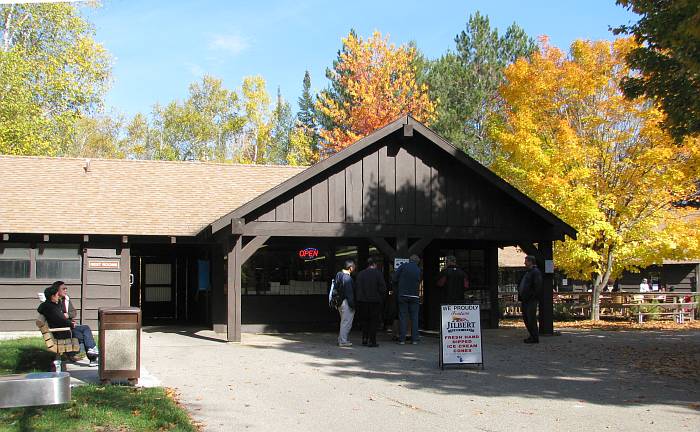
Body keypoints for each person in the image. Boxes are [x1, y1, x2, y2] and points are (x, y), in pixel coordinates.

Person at [37, 283, 99, 360]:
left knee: (85, 335)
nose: (58, 296)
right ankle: (92, 356)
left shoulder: (49, 305)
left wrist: (68, 317)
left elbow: (71, 313)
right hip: (63, 332)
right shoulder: (52, 308)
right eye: (57, 294)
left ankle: (91, 353)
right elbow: (61, 320)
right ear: (53, 296)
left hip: (63, 330)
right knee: (85, 331)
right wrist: (71, 324)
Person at [355, 257, 387, 347]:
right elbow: (383, 289)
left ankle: (364, 338)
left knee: (365, 321)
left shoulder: (360, 274)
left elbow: (357, 288)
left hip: (362, 301)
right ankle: (372, 340)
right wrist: (381, 299)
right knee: (373, 321)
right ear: (374, 265)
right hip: (375, 301)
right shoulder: (378, 274)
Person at [393, 254, 421, 345]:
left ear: (409, 260)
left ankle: (402, 339)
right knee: (414, 318)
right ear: (417, 262)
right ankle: (414, 339)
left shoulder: (403, 266)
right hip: (415, 296)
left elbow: (394, 278)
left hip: (403, 295)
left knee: (403, 317)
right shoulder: (418, 269)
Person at [517, 255, 542, 344]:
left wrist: (532, 296)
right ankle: (532, 336)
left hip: (531, 299)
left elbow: (537, 286)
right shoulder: (529, 272)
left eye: (526, 261)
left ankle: (534, 337)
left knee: (531, 318)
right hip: (525, 299)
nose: (524, 263)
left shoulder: (535, 272)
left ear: (531, 262)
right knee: (526, 318)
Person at [335, 259, 356, 347]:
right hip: (346, 302)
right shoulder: (347, 278)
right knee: (346, 322)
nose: (355, 267)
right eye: (354, 266)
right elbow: (349, 294)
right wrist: (353, 305)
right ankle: (343, 341)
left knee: (343, 321)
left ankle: (341, 339)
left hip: (339, 302)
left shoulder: (339, 275)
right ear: (350, 267)